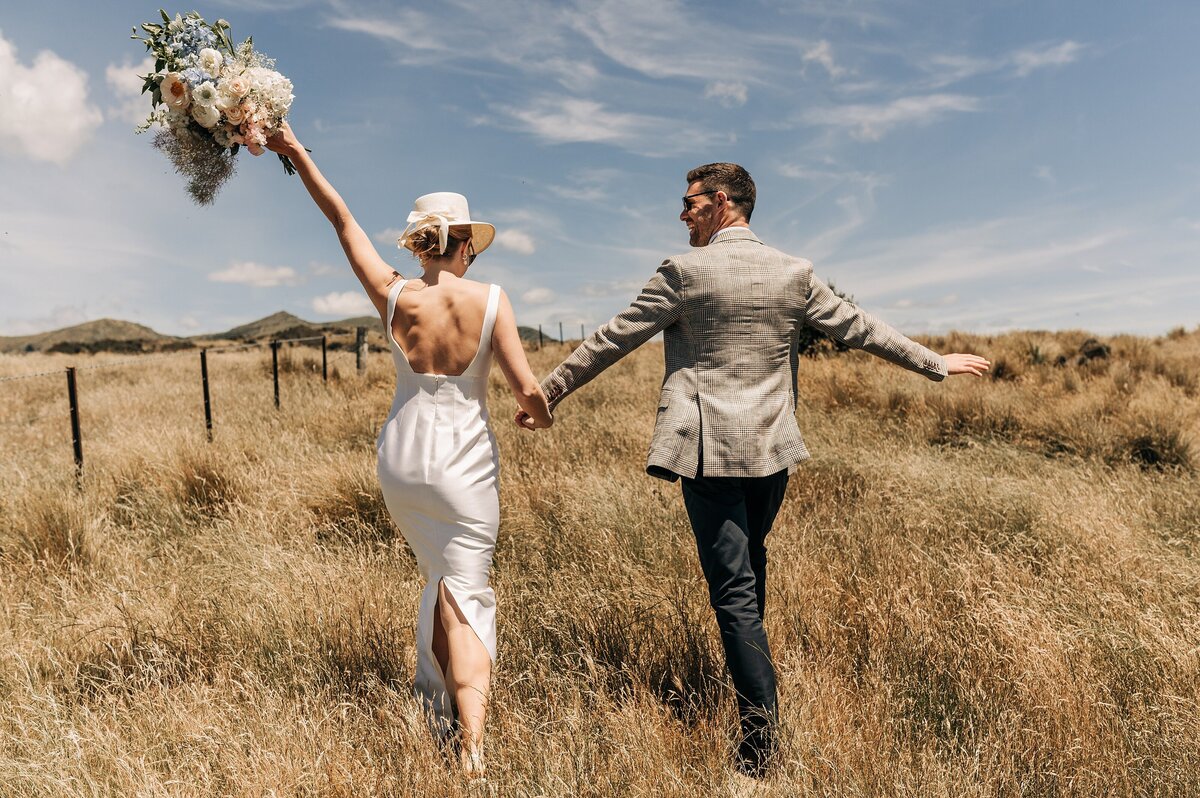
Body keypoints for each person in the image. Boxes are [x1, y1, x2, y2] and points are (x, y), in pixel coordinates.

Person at [521, 162, 990, 777]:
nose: (682, 214)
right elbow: (860, 329)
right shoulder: (793, 272)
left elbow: (613, 338)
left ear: (721, 202)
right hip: (772, 452)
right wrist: (933, 362)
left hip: (707, 450)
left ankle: (760, 741)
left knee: (733, 589)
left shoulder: (683, 272)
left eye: (689, 203)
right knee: (750, 568)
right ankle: (754, 682)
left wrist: (547, 393)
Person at [263, 122, 553, 781]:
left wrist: (297, 151)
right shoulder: (492, 300)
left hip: (400, 460)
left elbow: (340, 219)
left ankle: (439, 707)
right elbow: (528, 390)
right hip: (462, 464)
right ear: (463, 245)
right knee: (469, 586)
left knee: (441, 579)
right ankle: (471, 749)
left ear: (423, 242)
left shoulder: (396, 296)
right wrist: (535, 415)